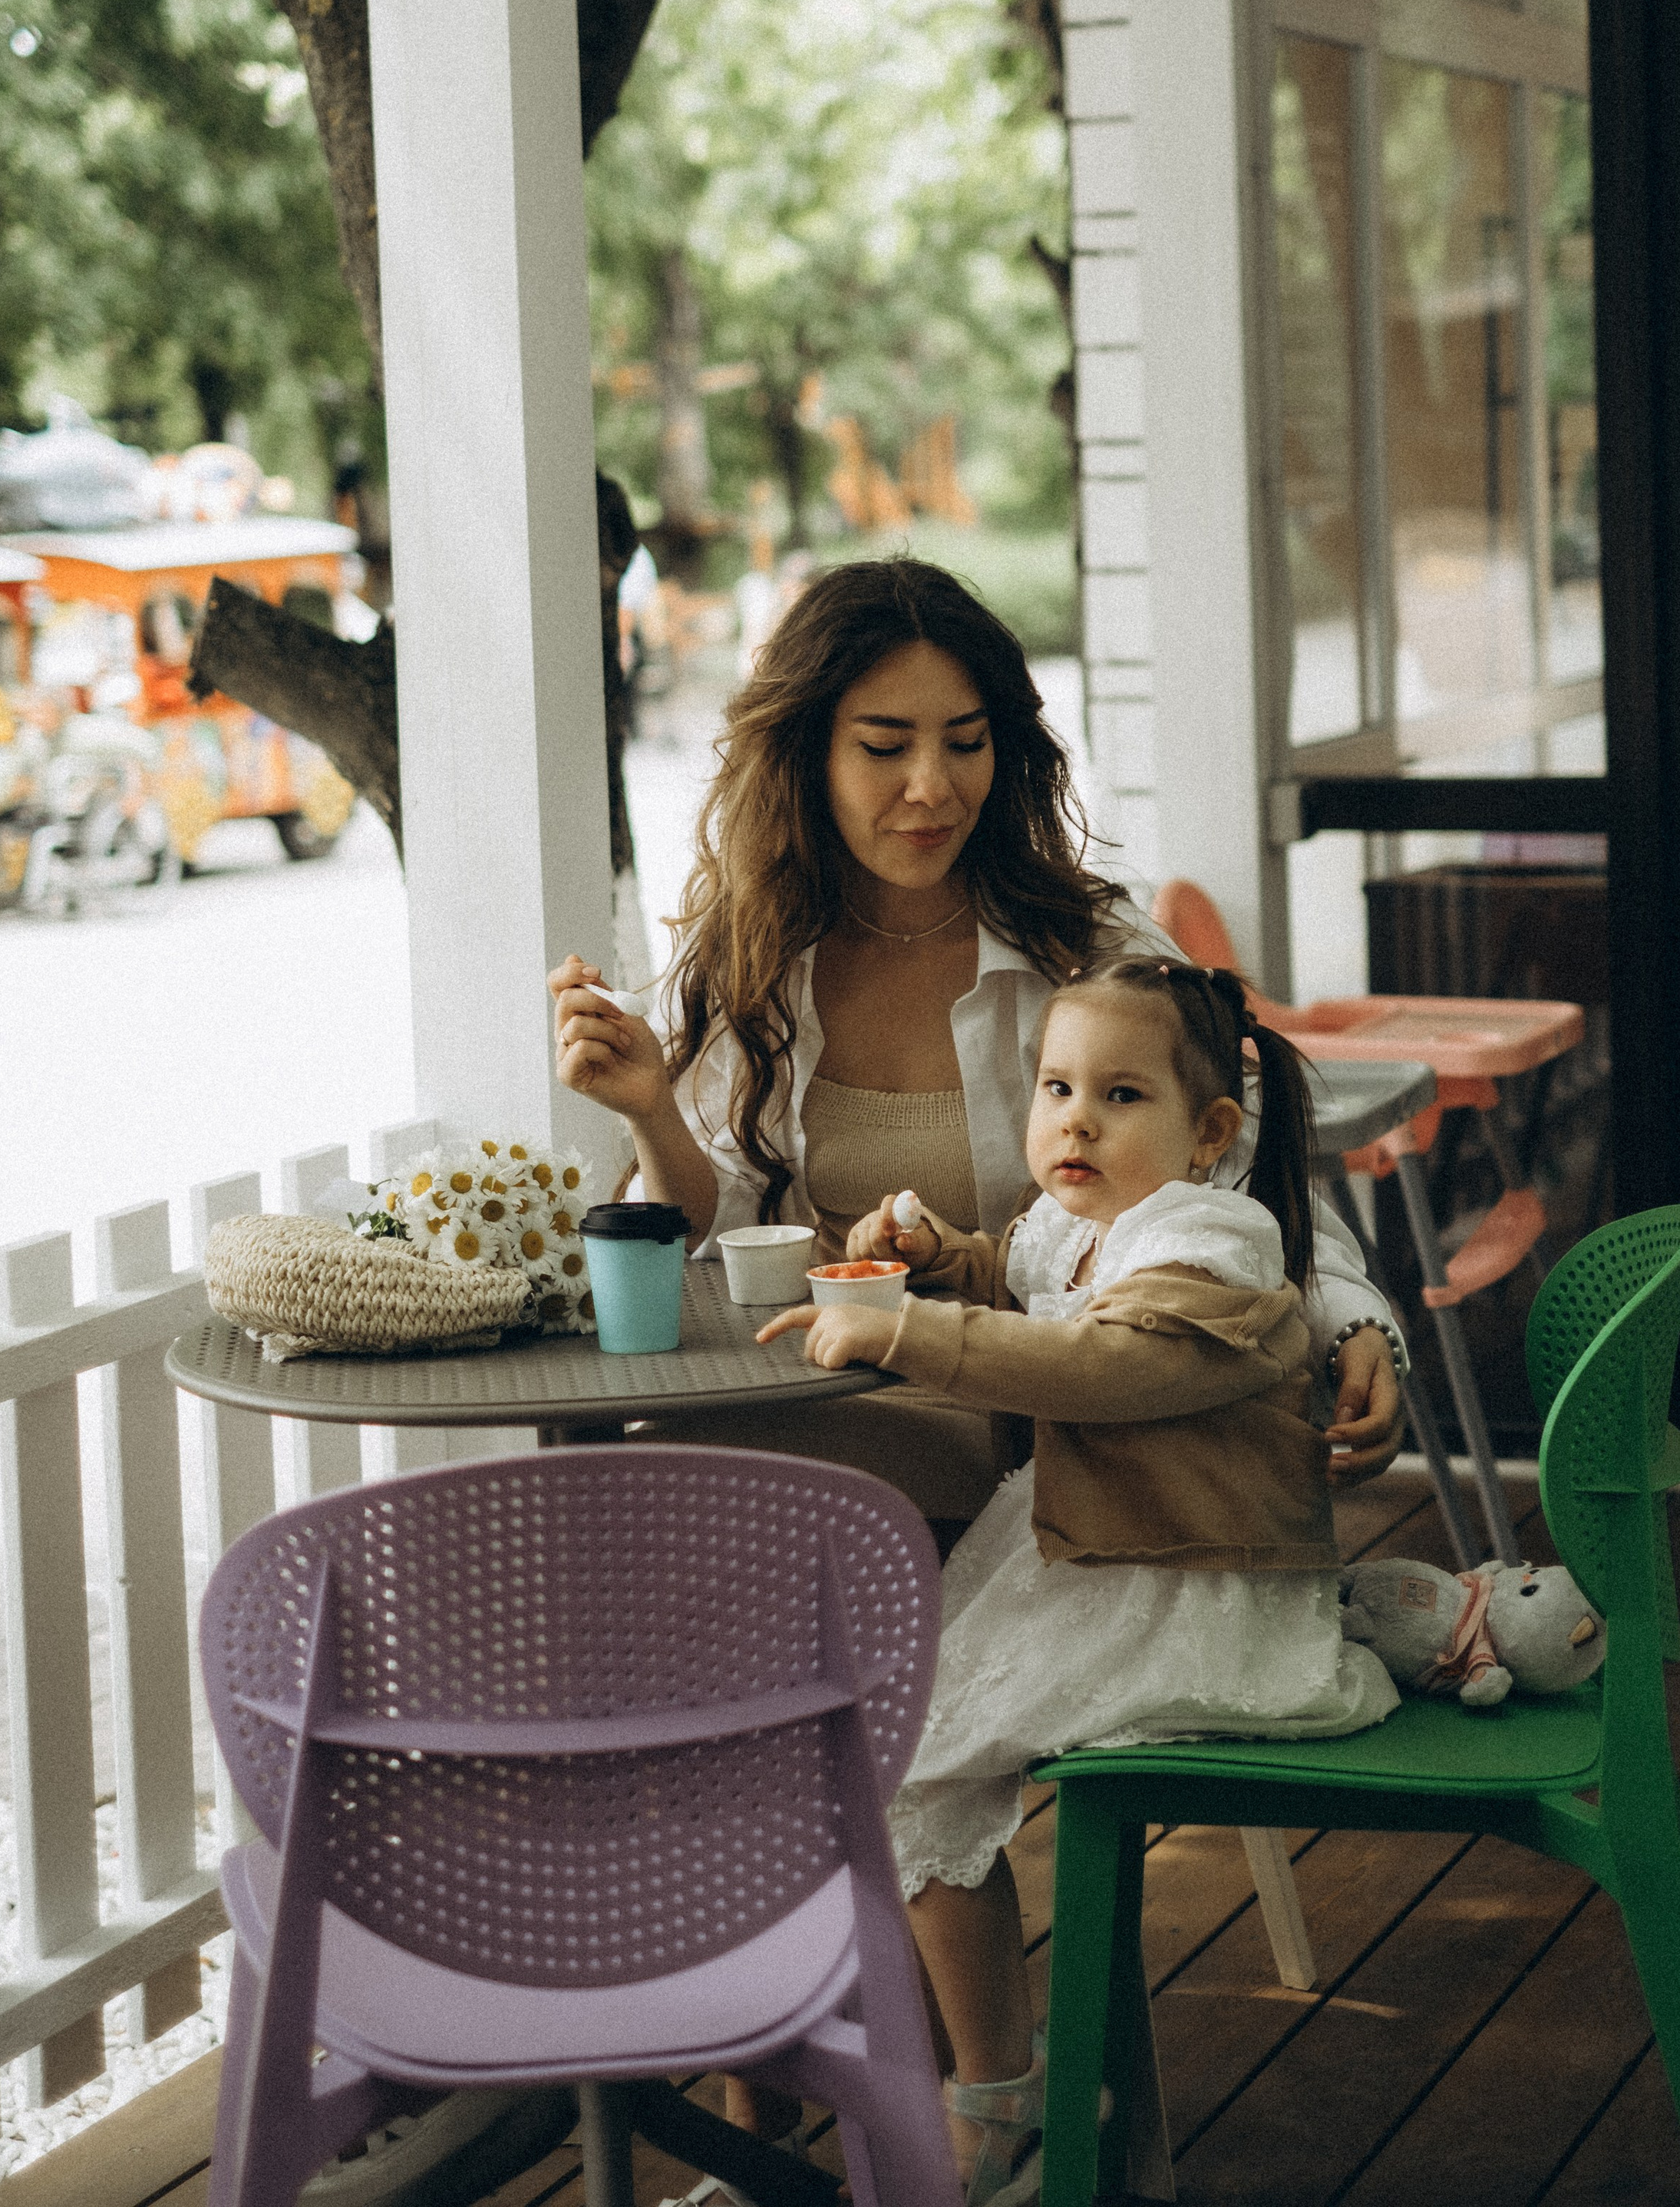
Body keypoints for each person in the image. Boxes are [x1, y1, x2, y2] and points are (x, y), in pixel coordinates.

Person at [549, 557, 1407, 1523]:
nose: (932, 788)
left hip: (1043, 1427)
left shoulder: (1090, 952)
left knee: (653, 1510)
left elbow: (1239, 1172)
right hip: (794, 1394)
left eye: (965, 742)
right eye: (883, 747)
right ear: (805, 755)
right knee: (612, 1503)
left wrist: (1355, 1325)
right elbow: (709, 1236)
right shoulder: (750, 956)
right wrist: (650, 1111)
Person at [757, 958, 1399, 2204]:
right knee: (892, 1741)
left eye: (1119, 1095)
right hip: (1108, 1558)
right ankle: (982, 2081)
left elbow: (1098, 1366)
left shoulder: (1213, 1245)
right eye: (1056, 1088)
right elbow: (1032, 1283)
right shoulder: (1095, 1224)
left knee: (912, 1758)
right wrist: (947, 1264)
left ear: (1211, 1134)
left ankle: (1001, 2095)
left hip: (1187, 1594)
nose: (1075, 1121)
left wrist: (904, 1331)